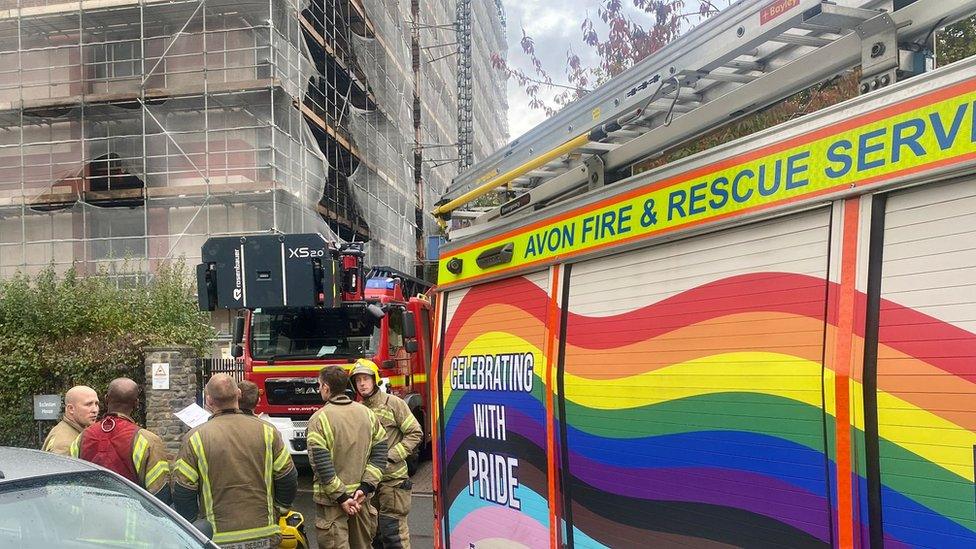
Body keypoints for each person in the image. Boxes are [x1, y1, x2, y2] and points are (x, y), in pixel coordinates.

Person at [173, 373, 298, 548]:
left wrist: (196, 526)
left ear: (209, 400)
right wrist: (280, 509)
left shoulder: (195, 438)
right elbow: (288, 477)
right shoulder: (268, 431)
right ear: (238, 394)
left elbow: (183, 491)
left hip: (218, 538)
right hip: (264, 534)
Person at [307, 365, 387, 549]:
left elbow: (321, 464)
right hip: (361, 502)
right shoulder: (367, 414)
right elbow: (380, 453)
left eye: (320, 385)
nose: (319, 389)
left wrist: (342, 497)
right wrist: (365, 487)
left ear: (326, 387)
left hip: (332, 506)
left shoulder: (319, 419)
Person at [350, 359, 422, 549]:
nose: (362, 384)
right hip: (369, 484)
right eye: (358, 380)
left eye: (365, 379)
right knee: (374, 536)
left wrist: (391, 456)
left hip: (393, 481)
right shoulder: (358, 410)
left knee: (394, 535)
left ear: (375, 380)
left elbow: (415, 433)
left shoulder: (394, 404)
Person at [70, 378, 170, 503]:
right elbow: (160, 493)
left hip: (90, 517)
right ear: (136, 403)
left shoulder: (81, 438)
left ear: (106, 399)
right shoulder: (148, 440)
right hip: (134, 520)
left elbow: (72, 487)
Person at [42, 385, 99, 455]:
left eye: (96, 404)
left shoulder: (74, 429)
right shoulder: (63, 444)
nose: (95, 410)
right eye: (88, 404)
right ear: (71, 409)